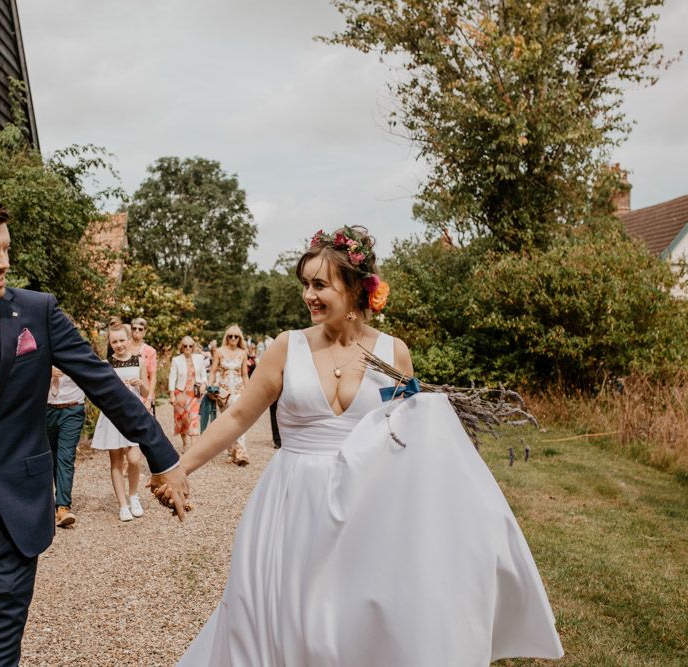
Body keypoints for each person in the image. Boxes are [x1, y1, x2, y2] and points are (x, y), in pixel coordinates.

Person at [168, 226, 563, 666]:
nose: (309, 296)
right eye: (305, 285)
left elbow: (411, 439)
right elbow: (239, 416)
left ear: (356, 289)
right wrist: (183, 467)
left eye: (320, 285)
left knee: (350, 623)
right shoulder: (287, 347)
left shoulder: (394, 354)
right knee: (278, 619)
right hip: (291, 502)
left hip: (364, 506)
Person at [0, 187, 188, 667]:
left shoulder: (37, 312)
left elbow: (105, 385)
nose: (3, 263)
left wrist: (164, 459)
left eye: (6, 249)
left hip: (13, 520)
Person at [91, 324, 149, 521]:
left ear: (128, 340)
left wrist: (141, 385)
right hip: (114, 415)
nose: (119, 345)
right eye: (114, 341)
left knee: (134, 458)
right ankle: (123, 505)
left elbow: (146, 393)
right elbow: (100, 395)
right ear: (110, 343)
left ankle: (134, 495)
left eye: (121, 340)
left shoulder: (138, 361)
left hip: (134, 414)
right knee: (115, 461)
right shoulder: (105, 364)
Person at [46, 316, 86, 528]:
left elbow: (91, 375)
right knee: (47, 457)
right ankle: (48, 503)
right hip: (46, 410)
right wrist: (46, 371)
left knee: (65, 456)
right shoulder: (42, 348)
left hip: (72, 408)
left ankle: (63, 507)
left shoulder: (78, 349)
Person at [208, 324, 249, 466]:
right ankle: (231, 452)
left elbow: (245, 374)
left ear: (239, 338)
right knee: (227, 422)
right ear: (226, 337)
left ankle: (242, 453)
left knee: (240, 421)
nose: (233, 338)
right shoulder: (219, 352)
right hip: (223, 392)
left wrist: (249, 390)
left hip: (238, 390)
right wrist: (210, 386)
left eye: (236, 336)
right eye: (230, 336)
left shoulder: (243, 353)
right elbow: (213, 371)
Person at [169, 336, 207, 451]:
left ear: (193, 347)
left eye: (190, 346)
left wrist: (204, 385)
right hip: (180, 393)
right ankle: (185, 443)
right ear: (182, 347)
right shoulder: (176, 360)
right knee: (182, 420)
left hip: (194, 393)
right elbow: (172, 377)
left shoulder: (199, 358)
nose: (188, 348)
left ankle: (194, 447)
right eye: (185, 346)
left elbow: (204, 376)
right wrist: (171, 395)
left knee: (194, 418)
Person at [129, 317, 157, 412]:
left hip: (143, 394)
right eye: (134, 328)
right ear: (131, 330)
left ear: (144, 332)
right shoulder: (124, 347)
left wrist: (149, 398)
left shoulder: (150, 351)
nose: (137, 331)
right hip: (126, 392)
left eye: (140, 329)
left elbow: (153, 377)